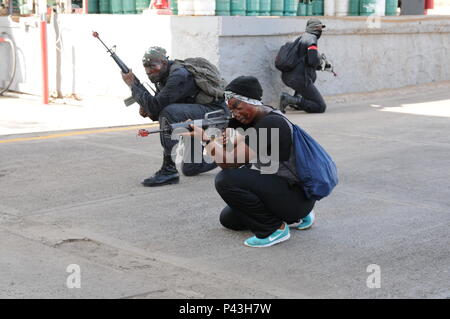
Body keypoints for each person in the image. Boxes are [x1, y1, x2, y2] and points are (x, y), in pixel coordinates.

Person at [182, 76, 316, 247]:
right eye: (231, 109)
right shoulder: (250, 118)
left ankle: (275, 229)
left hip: (295, 196)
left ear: (252, 101)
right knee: (229, 220)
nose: (235, 114)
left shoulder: (272, 123)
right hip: (282, 188)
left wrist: (206, 140)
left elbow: (229, 163)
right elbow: (231, 151)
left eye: (237, 107)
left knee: (226, 179)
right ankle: (294, 217)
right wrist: (228, 138)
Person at [121, 47, 227, 187]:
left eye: (153, 66)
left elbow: (158, 108)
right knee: (191, 169)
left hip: (213, 112)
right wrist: (146, 107)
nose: (148, 70)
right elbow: (156, 112)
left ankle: (169, 170)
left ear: (164, 62)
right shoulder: (161, 76)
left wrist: (133, 85)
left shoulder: (178, 75)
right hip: (193, 118)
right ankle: (226, 156)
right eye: (146, 66)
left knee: (169, 112)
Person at [279, 18, 329, 114]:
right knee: (320, 106)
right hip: (299, 79)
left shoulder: (301, 37)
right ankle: (290, 99)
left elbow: (306, 60)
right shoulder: (311, 39)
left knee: (312, 77)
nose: (320, 31)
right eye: (319, 29)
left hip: (288, 77)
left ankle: (296, 101)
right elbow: (312, 61)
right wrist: (322, 63)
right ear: (313, 29)